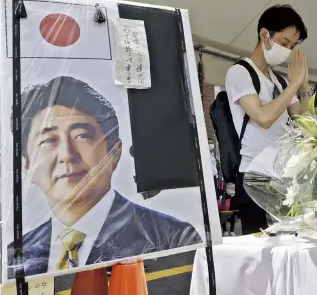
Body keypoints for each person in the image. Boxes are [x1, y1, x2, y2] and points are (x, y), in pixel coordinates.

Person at [7, 76, 202, 278]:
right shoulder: (16, 256)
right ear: (27, 164)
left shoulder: (173, 240)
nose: (66, 155)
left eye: (81, 135)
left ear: (114, 153)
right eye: (48, 140)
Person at [225, 4, 310, 234]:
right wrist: (293, 85)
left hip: (280, 175)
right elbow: (263, 118)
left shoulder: (280, 81)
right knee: (259, 249)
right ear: (265, 35)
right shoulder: (240, 72)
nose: (288, 50)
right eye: (284, 43)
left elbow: (303, 122)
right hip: (254, 174)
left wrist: (303, 90)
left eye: (292, 46)